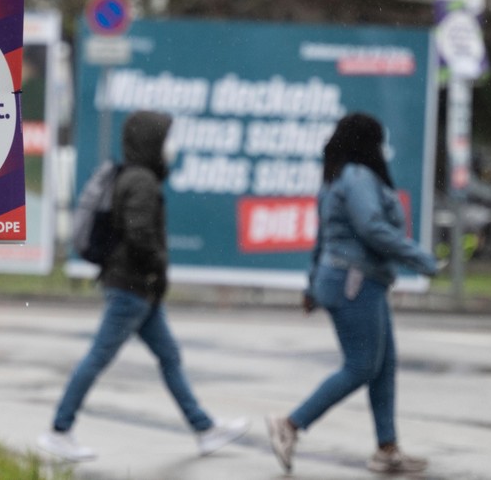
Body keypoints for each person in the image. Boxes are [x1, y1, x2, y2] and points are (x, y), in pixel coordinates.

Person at [38, 110, 249, 462]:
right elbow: (139, 235)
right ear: (152, 142)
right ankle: (59, 431)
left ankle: (205, 429)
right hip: (131, 289)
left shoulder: (137, 177)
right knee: (98, 358)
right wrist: (157, 268)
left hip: (138, 290)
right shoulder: (141, 182)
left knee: (169, 357)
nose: (172, 146)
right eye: (166, 138)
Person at [265, 112, 439, 475]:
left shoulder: (334, 179)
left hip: (351, 279)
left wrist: (312, 285)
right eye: (378, 142)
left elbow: (322, 239)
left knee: (383, 366)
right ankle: (291, 424)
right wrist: (419, 258)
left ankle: (387, 449)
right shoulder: (359, 177)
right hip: (354, 281)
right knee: (361, 366)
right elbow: (372, 228)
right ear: (367, 143)